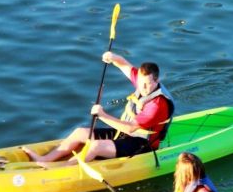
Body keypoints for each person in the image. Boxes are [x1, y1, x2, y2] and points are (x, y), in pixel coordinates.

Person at [14, 52, 173, 165]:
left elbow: (131, 128)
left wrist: (102, 115)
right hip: (125, 134)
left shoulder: (157, 105)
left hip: (142, 144)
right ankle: (45, 159)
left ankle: (64, 168)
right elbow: (124, 64)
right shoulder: (141, 80)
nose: (143, 87)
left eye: (147, 84)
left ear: (157, 80)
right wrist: (112, 57)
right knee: (80, 132)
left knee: (95, 146)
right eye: (141, 83)